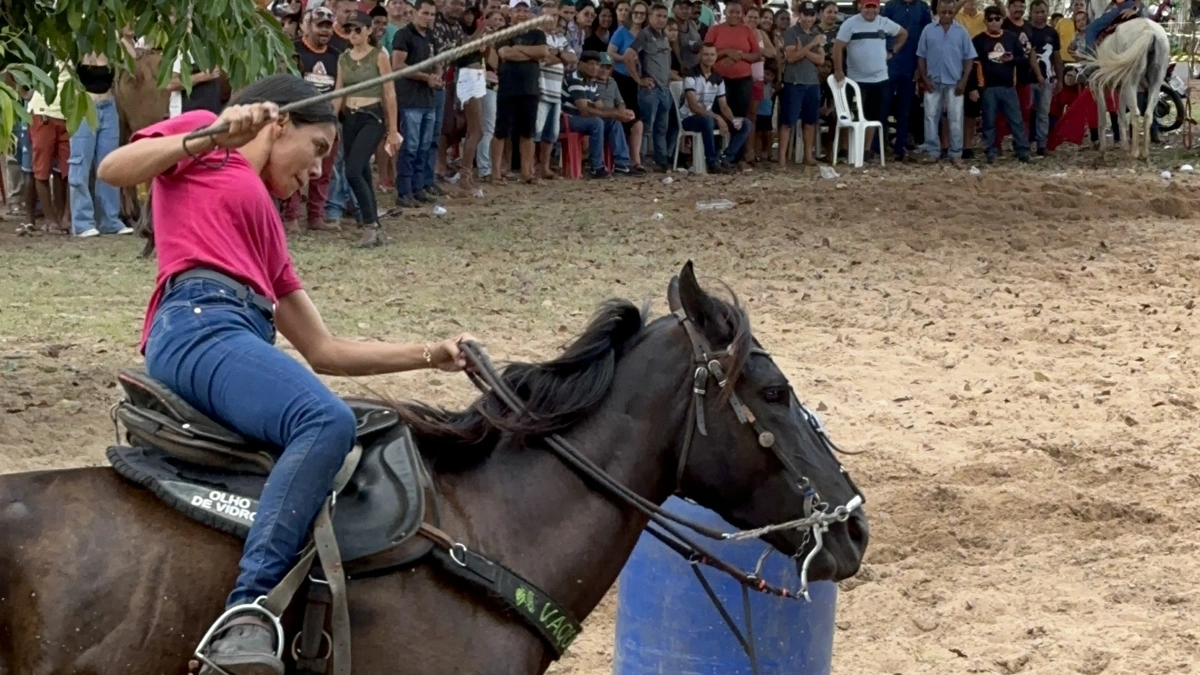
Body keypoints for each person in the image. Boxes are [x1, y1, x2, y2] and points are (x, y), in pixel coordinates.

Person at [95, 73, 476, 674]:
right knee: (323, 420)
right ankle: (246, 611)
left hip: (238, 332)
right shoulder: (205, 140)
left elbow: (325, 350)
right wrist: (212, 135)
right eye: (318, 148)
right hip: (196, 324)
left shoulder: (268, 229)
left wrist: (432, 352)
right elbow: (115, 168)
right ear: (279, 124)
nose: (321, 170)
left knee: (336, 414)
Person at [333, 9, 402, 247]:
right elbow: (339, 92)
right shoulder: (343, 58)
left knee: (352, 171)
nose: (353, 33)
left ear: (368, 30)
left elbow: (389, 93)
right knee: (360, 171)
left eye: (358, 29)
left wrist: (392, 130)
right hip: (349, 118)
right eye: (349, 29)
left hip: (372, 117)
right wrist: (331, 122)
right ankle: (374, 227)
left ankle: (370, 225)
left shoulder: (379, 56)